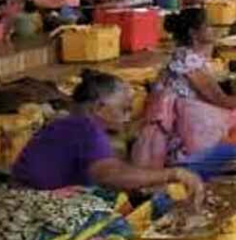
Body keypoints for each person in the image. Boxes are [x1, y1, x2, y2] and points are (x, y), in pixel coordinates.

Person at [13, 70, 204, 204]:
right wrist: (173, 174)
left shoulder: (67, 124)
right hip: (34, 206)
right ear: (99, 108)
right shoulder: (85, 129)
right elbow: (110, 174)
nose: (128, 117)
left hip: (30, 196)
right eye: (124, 109)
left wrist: (148, 182)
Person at [133, 8, 236, 168]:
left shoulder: (186, 56)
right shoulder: (187, 59)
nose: (213, 29)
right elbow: (219, 99)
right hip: (181, 124)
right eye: (207, 26)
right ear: (193, 33)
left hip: (181, 118)